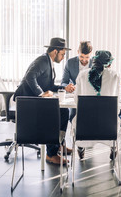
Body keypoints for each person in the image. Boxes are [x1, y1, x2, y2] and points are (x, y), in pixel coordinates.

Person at [13, 37, 74, 165]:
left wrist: (64, 88)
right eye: (62, 54)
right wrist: (41, 94)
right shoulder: (42, 61)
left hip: (33, 100)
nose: (63, 57)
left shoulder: (49, 62)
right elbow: (30, 76)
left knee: (64, 112)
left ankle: (57, 146)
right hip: (26, 102)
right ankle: (51, 154)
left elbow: (50, 87)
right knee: (55, 114)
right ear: (55, 51)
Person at [73, 50, 120, 160]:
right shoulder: (115, 75)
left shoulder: (82, 74)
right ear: (109, 64)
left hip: (85, 127)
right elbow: (118, 100)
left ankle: (80, 146)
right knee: (115, 119)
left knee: (77, 120)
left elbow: (77, 100)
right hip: (108, 127)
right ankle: (113, 147)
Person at [61, 41, 93, 121]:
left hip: (91, 97)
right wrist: (68, 87)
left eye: (87, 57)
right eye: (82, 57)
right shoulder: (70, 63)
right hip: (75, 97)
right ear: (78, 52)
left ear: (91, 54)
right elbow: (64, 82)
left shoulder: (95, 64)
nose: (84, 60)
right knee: (73, 116)